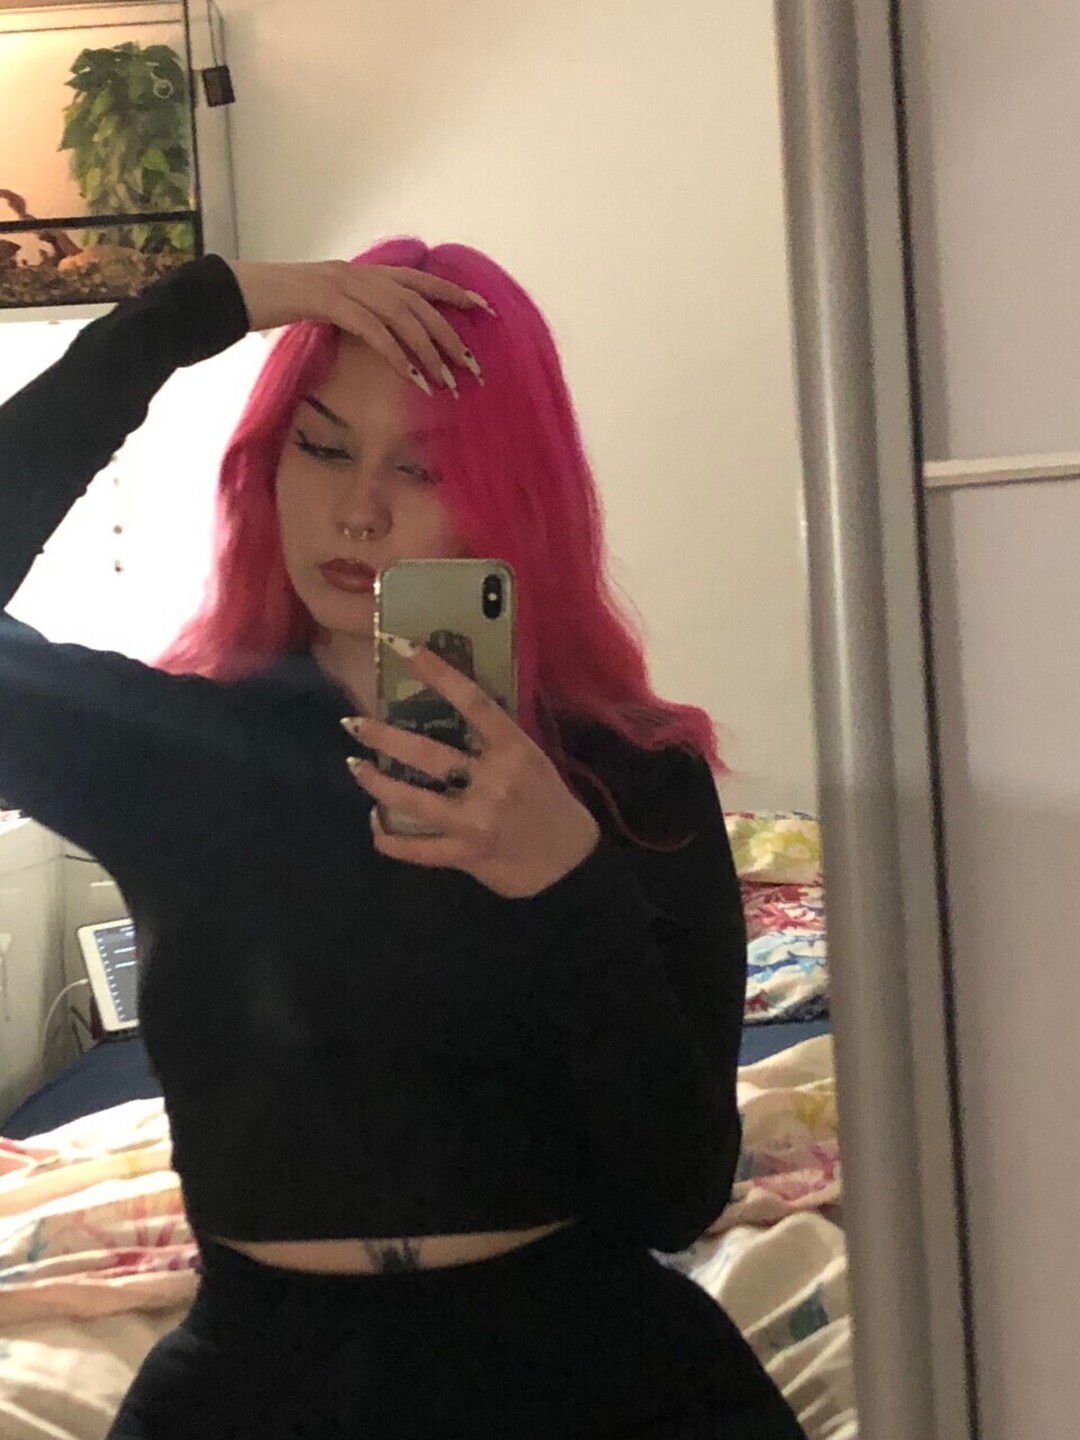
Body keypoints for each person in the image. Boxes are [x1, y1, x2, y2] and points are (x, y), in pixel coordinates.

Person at [0, 242, 807, 1439]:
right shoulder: (170, 748)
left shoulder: (628, 775)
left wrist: (568, 883)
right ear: (267, 463)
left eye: (421, 468)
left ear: (508, 497)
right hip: (261, 1376)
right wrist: (193, 313)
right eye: (323, 448)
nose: (358, 509)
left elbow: (676, 1195)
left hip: (593, 1366)